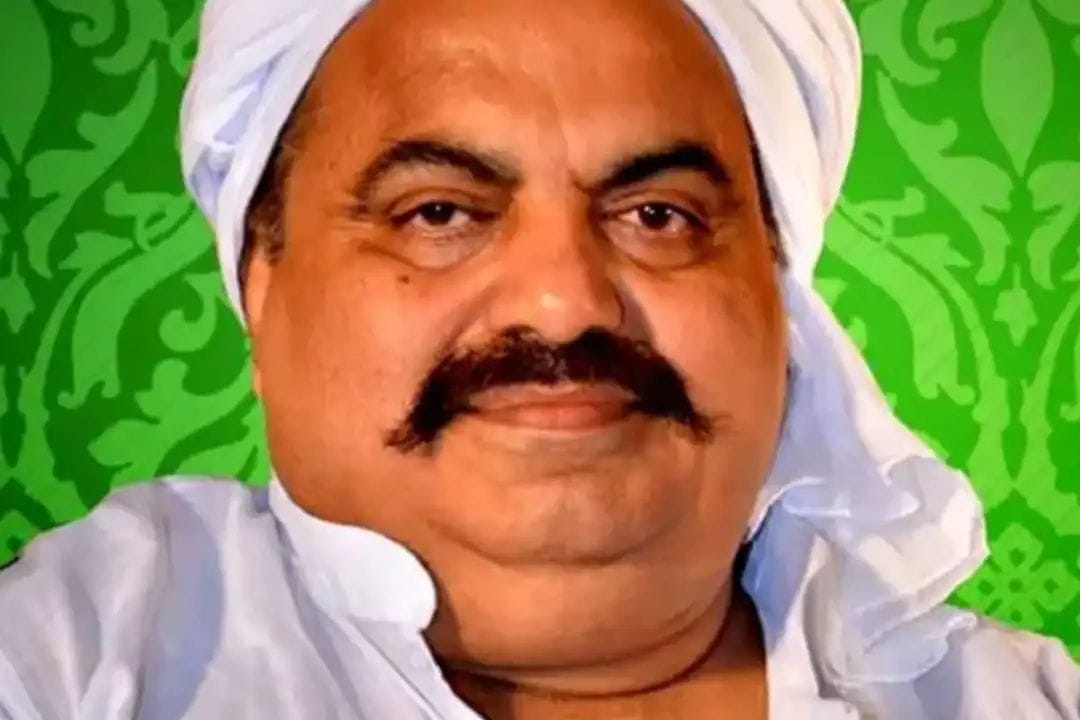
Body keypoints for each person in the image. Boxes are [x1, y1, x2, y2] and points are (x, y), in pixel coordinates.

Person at [1, 0, 1077, 717]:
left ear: (781, 301)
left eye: (658, 215)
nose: (563, 302)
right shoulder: (83, 655)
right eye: (438, 213)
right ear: (261, 288)